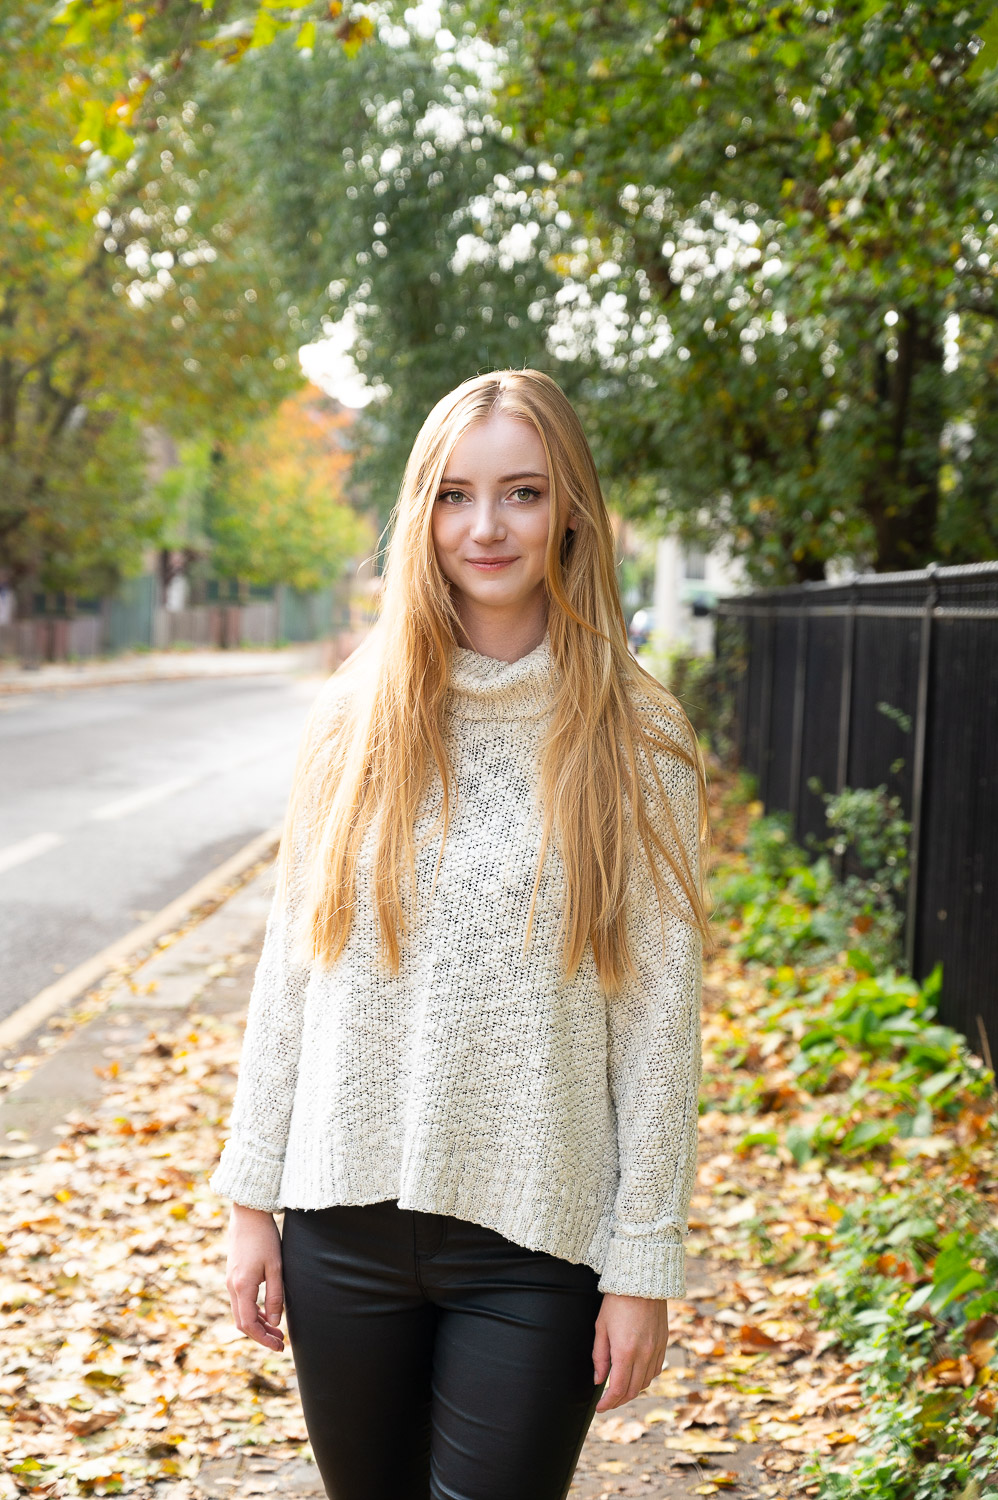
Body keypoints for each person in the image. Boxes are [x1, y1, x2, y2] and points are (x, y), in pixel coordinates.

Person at [208, 368, 712, 1500]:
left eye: (522, 493)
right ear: (419, 514)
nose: (485, 527)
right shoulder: (353, 714)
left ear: (570, 508)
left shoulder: (638, 738)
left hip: (535, 1244)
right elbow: (293, 967)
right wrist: (251, 1203)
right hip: (339, 1226)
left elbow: (657, 1023)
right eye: (453, 494)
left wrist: (643, 1261)